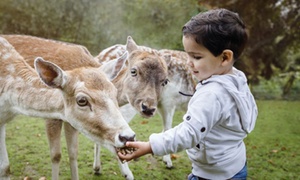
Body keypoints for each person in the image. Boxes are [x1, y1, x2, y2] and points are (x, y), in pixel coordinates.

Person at [118, 8, 258, 180]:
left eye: (196, 57)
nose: (188, 63)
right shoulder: (238, 80)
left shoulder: (212, 95)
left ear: (224, 58)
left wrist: (150, 146)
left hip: (213, 175)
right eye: (187, 55)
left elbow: (188, 134)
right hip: (235, 165)